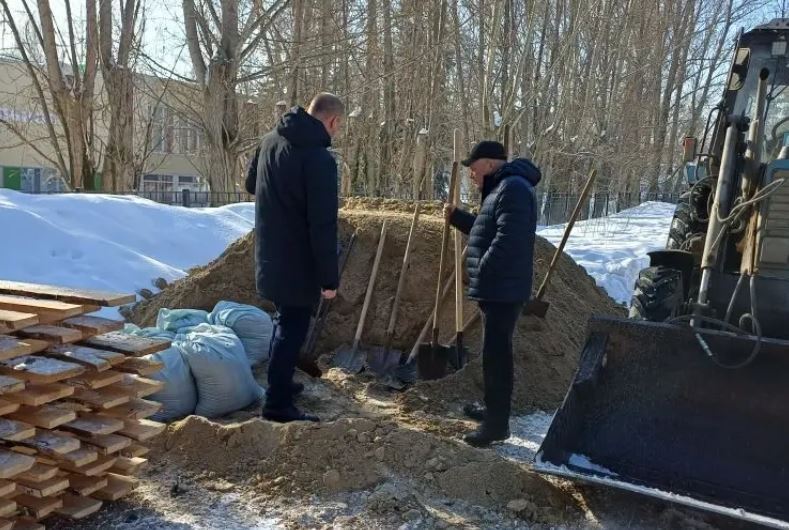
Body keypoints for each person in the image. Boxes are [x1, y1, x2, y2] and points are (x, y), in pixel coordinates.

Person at [245, 93, 345, 423]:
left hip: (269, 253)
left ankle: (282, 382)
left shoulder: (269, 141)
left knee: (283, 321)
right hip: (297, 261)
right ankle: (276, 405)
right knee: (292, 327)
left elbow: (251, 184)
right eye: (339, 126)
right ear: (332, 121)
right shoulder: (318, 159)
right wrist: (329, 278)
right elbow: (323, 224)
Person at [444, 140, 541, 447]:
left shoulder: (513, 188)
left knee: (497, 356)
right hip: (498, 286)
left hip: (503, 288)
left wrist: (483, 269)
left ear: (488, 163)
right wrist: (458, 218)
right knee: (492, 352)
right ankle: (492, 411)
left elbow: (508, 239)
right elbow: (486, 229)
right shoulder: (502, 189)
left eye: (473, 169)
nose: (471, 175)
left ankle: (497, 425)